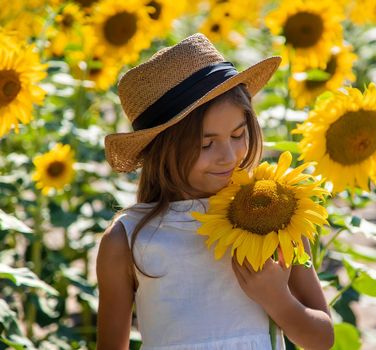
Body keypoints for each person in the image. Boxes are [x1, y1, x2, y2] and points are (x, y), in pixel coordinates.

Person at [96, 33, 334, 350]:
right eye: (205, 144)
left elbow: (322, 339)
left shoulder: (274, 213)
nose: (229, 156)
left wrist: (277, 300)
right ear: (162, 150)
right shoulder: (127, 239)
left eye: (238, 134)